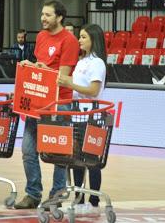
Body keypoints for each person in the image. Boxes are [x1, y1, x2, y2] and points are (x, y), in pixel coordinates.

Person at [14, 0, 80, 209]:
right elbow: (41, 69)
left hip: (60, 103)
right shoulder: (41, 36)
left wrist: (43, 70)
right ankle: (33, 194)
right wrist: (30, 66)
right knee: (27, 149)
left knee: (57, 152)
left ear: (59, 17)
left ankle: (57, 194)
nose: (43, 18)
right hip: (38, 102)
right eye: (42, 14)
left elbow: (62, 78)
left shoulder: (69, 41)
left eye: (48, 15)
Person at [57, 24, 107, 215]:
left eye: (83, 37)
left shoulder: (98, 63)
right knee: (77, 158)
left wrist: (71, 83)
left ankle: (93, 201)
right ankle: (79, 198)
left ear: (93, 39)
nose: (79, 40)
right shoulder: (82, 61)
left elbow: (94, 91)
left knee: (91, 159)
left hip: (91, 116)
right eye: (80, 37)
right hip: (77, 114)